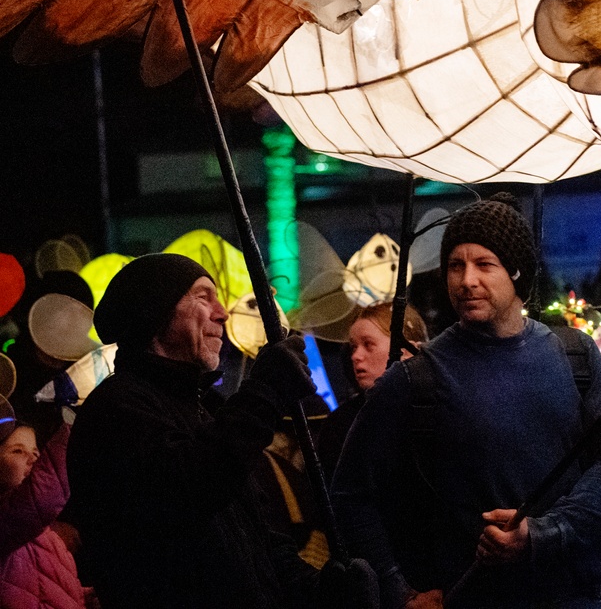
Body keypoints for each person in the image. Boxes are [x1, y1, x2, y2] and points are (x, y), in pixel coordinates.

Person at [332, 192, 601, 609]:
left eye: (484, 264)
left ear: (516, 271)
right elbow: (350, 493)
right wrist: (399, 592)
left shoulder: (576, 356)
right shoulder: (417, 378)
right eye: (455, 265)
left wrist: (543, 534)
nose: (466, 280)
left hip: (575, 598)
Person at [66, 253, 377, 609]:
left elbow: (262, 544)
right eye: (203, 297)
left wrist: (321, 589)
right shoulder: (116, 408)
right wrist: (264, 393)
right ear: (156, 312)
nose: (222, 313)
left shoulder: (204, 410)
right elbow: (189, 488)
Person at [317, 302, 428, 484]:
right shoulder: (341, 425)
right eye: (353, 347)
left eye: (368, 345)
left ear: (407, 350)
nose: (356, 356)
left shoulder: (441, 407)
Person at [0, 419, 95, 609]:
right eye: (18, 451)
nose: (33, 459)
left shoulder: (51, 538)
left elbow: (56, 589)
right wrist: (77, 426)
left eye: (36, 453)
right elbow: (43, 497)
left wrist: (88, 597)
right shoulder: (6, 521)